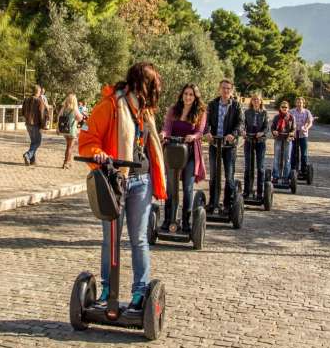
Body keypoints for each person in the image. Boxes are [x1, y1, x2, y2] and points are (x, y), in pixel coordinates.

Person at [79, 62, 166, 311]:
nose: (152, 93)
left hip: (142, 181)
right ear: (139, 85)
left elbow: (150, 146)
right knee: (111, 239)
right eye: (151, 86)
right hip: (115, 180)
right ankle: (108, 288)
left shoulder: (146, 112)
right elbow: (87, 139)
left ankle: (140, 292)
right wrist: (97, 154)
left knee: (139, 238)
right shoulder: (109, 106)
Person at [161, 83, 206, 232]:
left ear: (195, 97)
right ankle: (168, 220)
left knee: (187, 188)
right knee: (170, 187)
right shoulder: (173, 110)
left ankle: (186, 222)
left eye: (191, 94)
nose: (188, 97)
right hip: (173, 152)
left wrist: (193, 136)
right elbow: (167, 127)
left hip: (190, 154)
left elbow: (200, 132)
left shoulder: (200, 112)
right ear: (182, 95)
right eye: (186, 94)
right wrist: (163, 134)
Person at [205, 79, 242, 214]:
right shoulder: (212, 104)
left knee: (229, 176)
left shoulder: (236, 106)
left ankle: (228, 205)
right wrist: (207, 132)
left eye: (228, 89)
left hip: (229, 146)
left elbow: (240, 123)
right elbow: (206, 122)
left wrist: (233, 134)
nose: (226, 91)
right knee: (214, 175)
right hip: (214, 144)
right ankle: (213, 203)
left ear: (231, 90)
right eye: (223, 88)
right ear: (219, 89)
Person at [242, 92, 268, 199]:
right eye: (254, 99)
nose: (256, 101)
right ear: (251, 101)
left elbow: (267, 127)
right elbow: (242, 124)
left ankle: (260, 192)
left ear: (261, 101)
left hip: (260, 141)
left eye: (258, 99)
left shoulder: (264, 113)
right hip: (248, 140)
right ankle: (247, 191)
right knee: (248, 167)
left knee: (260, 168)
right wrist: (243, 131)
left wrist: (262, 133)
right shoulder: (247, 112)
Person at [21, 85, 48, 165]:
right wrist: (43, 126)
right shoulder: (39, 101)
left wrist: (27, 118)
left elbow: (22, 111)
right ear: (39, 92)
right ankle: (27, 155)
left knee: (33, 142)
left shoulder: (26, 99)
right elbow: (42, 114)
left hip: (28, 123)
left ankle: (32, 161)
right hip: (36, 124)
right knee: (38, 142)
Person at [270, 101, 294, 185]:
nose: (284, 108)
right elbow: (272, 127)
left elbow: (294, 129)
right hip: (278, 138)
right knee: (276, 158)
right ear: (280, 108)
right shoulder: (276, 117)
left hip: (288, 139)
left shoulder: (291, 117)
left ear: (288, 108)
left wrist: (291, 133)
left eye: (286, 107)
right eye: (283, 107)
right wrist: (274, 131)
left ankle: (286, 177)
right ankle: (275, 176)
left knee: (287, 158)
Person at [290, 97, 314, 177]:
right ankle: (293, 170)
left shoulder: (307, 112)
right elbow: (288, 121)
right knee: (293, 153)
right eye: (298, 102)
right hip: (294, 135)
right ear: (295, 103)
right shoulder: (291, 111)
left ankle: (303, 171)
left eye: (301, 102)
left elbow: (310, 122)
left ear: (303, 103)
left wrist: (306, 128)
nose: (299, 104)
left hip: (303, 135)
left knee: (304, 154)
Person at [57, 93, 81, 169]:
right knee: (70, 147)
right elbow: (79, 118)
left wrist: (58, 128)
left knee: (69, 146)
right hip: (72, 130)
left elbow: (59, 117)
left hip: (65, 130)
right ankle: (66, 163)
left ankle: (69, 162)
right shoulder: (74, 109)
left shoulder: (64, 108)